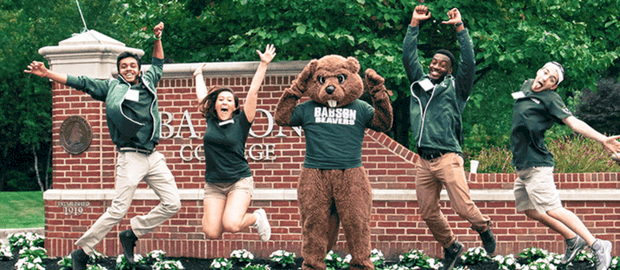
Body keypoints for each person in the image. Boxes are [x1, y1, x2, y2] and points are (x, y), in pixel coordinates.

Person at [25, 22, 181, 270]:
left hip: (153, 156)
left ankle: (132, 233)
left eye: (132, 66)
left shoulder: (149, 80)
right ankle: (83, 251)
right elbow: (81, 81)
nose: (128, 69)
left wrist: (157, 37)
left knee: (173, 203)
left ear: (139, 70)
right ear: (119, 71)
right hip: (131, 157)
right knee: (118, 210)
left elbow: (158, 61)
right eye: (123, 67)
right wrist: (48, 74)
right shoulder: (112, 88)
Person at [402, 5, 495, 270]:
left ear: (449, 70)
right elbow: (409, 58)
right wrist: (413, 25)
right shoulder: (420, 86)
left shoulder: (456, 89)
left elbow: (469, 62)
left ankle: (484, 227)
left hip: (448, 157)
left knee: (462, 207)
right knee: (428, 212)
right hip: (423, 161)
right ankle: (452, 246)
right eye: (433, 62)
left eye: (442, 64)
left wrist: (460, 28)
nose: (435, 66)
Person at [510, 61, 620, 270]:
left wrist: (602, 139)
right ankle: (572, 239)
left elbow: (573, 123)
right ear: (538, 71)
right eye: (545, 73)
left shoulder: (551, 99)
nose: (545, 79)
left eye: (552, 79)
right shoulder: (526, 85)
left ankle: (597, 245)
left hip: (537, 165)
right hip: (522, 166)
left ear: (554, 86)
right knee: (529, 209)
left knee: (553, 209)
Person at [192, 44, 275, 242]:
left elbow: (253, 92)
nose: (224, 102)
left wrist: (263, 64)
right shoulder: (211, 119)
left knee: (231, 224)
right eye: (221, 99)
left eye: (229, 100)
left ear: (235, 106)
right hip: (214, 183)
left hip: (239, 180)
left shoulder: (242, 121)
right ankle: (225, 216)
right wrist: (197, 74)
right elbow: (202, 98)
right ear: (216, 104)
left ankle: (257, 217)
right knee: (211, 233)